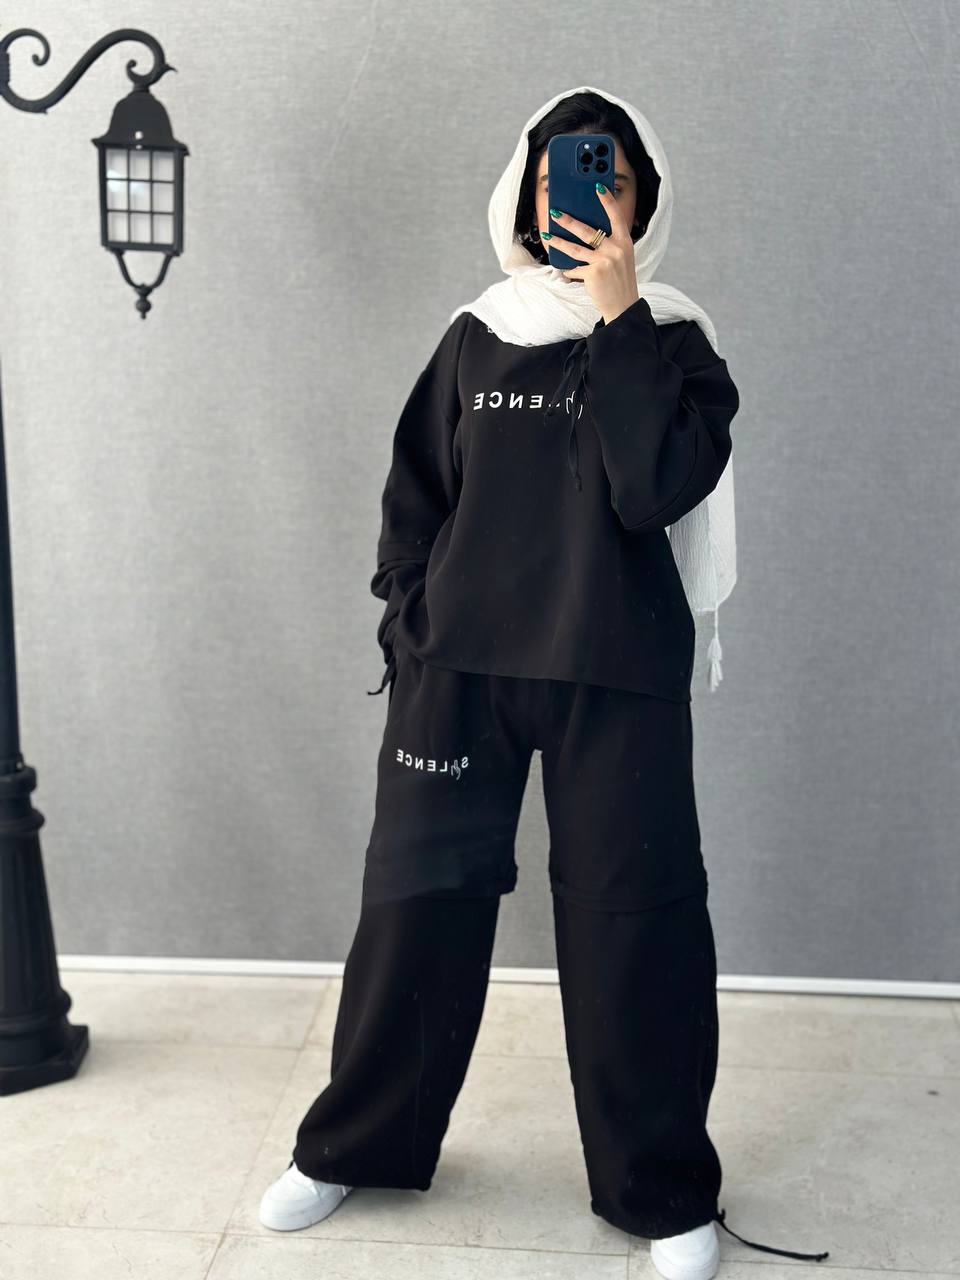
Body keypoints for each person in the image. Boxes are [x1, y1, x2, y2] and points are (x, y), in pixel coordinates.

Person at [259, 86, 830, 1279]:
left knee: (639, 927)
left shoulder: (676, 340)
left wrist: (619, 319)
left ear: (642, 198)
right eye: (561, 173)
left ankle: (663, 1185)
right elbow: (416, 489)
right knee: (412, 912)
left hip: (614, 673)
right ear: (524, 192)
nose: (582, 196)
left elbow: (653, 485)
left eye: (607, 174)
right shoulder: (477, 332)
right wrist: (414, 614)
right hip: (457, 670)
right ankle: (354, 1143)